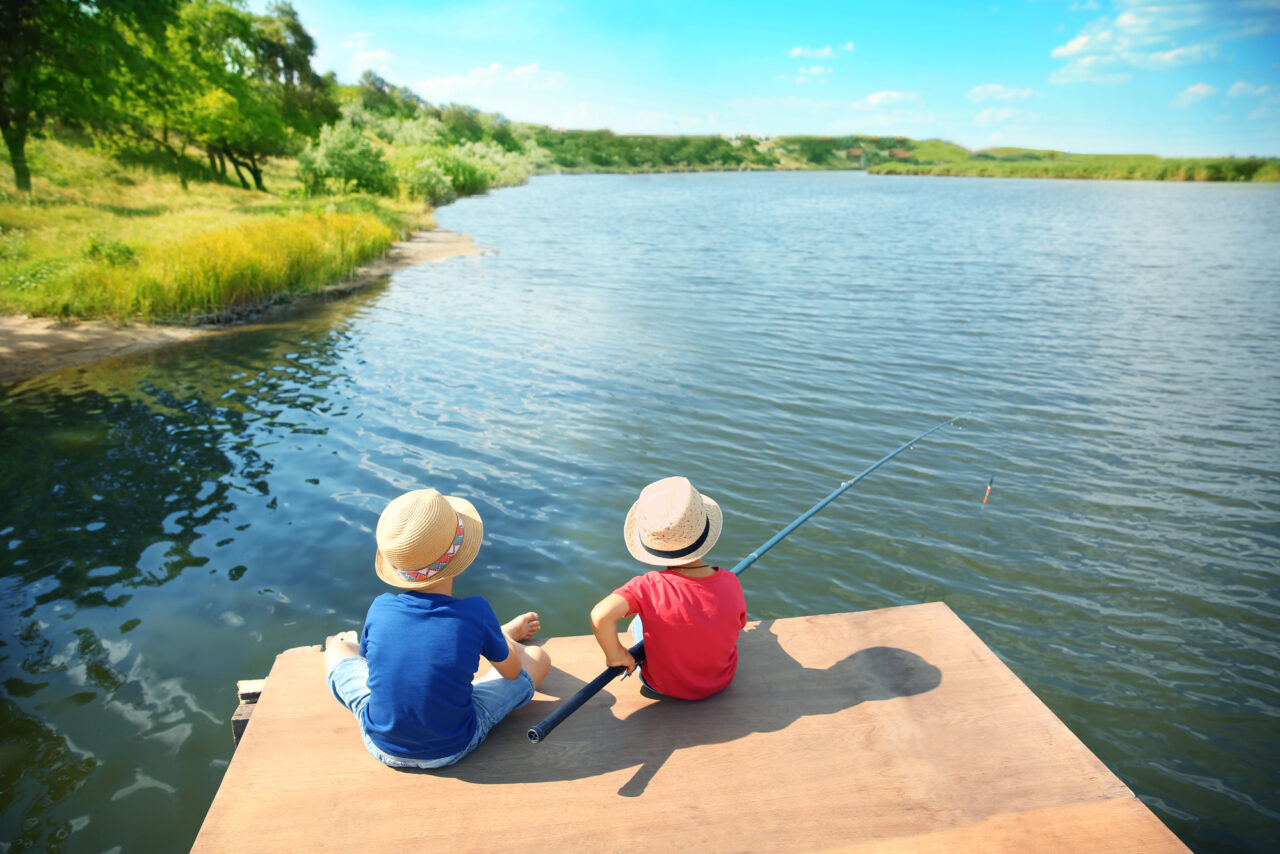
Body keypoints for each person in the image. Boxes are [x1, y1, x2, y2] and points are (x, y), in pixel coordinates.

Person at [324, 487, 550, 768]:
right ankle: (500, 637)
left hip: (380, 742)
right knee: (539, 660)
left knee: (339, 646)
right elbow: (512, 672)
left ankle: (495, 638)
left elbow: (368, 662)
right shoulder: (475, 612)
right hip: (450, 746)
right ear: (459, 556)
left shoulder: (380, 607)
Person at [590, 476, 746, 700]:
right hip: (722, 680)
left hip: (661, 687)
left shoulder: (647, 587)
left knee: (638, 621)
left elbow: (600, 615)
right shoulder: (731, 581)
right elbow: (737, 625)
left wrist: (617, 657)